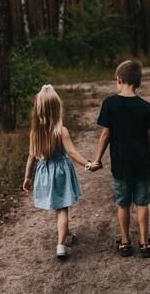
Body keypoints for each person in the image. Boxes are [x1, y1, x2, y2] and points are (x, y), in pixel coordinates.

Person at [94, 60, 150, 258]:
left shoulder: (110, 104)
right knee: (142, 203)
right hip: (142, 164)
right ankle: (144, 242)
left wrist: (98, 158)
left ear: (119, 79)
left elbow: (105, 135)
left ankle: (125, 242)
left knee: (123, 203)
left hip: (120, 165)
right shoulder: (145, 106)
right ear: (138, 83)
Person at [23, 84, 101, 259]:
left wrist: (27, 177)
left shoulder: (35, 132)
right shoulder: (61, 131)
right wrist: (89, 165)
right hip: (60, 173)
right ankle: (61, 245)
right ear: (56, 108)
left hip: (45, 173)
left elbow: (31, 156)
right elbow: (72, 153)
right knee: (62, 208)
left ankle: (65, 235)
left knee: (57, 207)